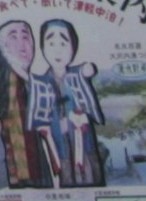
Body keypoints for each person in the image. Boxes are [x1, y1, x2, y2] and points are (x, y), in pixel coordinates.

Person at [37, 18, 103, 189]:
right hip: (59, 144)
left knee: (89, 173)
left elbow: (87, 69)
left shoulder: (76, 75)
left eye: (64, 43)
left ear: (73, 47)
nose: (57, 50)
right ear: (43, 48)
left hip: (82, 139)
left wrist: (89, 68)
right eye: (51, 43)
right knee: (63, 175)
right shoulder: (42, 83)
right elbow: (40, 117)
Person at [0, 18, 43, 189]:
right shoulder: (5, 79)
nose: (22, 44)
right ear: (3, 46)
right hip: (21, 164)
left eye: (26, 37)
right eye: (13, 37)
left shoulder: (35, 81)